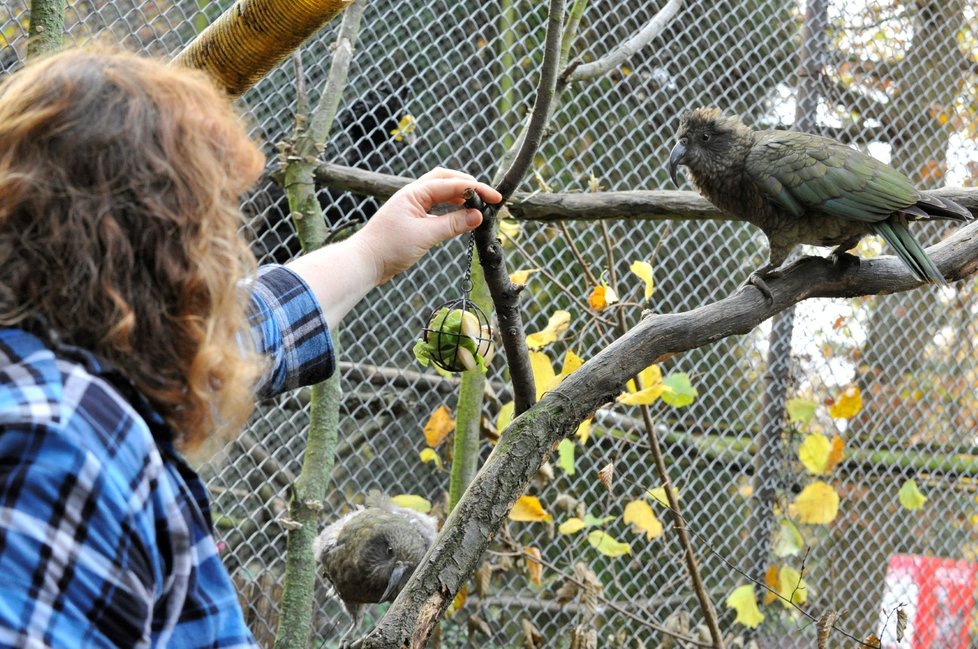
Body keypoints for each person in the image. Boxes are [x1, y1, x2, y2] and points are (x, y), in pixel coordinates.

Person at [0, 47, 501, 647]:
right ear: (162, 253)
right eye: (213, 224)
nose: (230, 248)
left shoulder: (63, 360)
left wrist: (371, 253)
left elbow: (237, 332)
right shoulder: (58, 442)